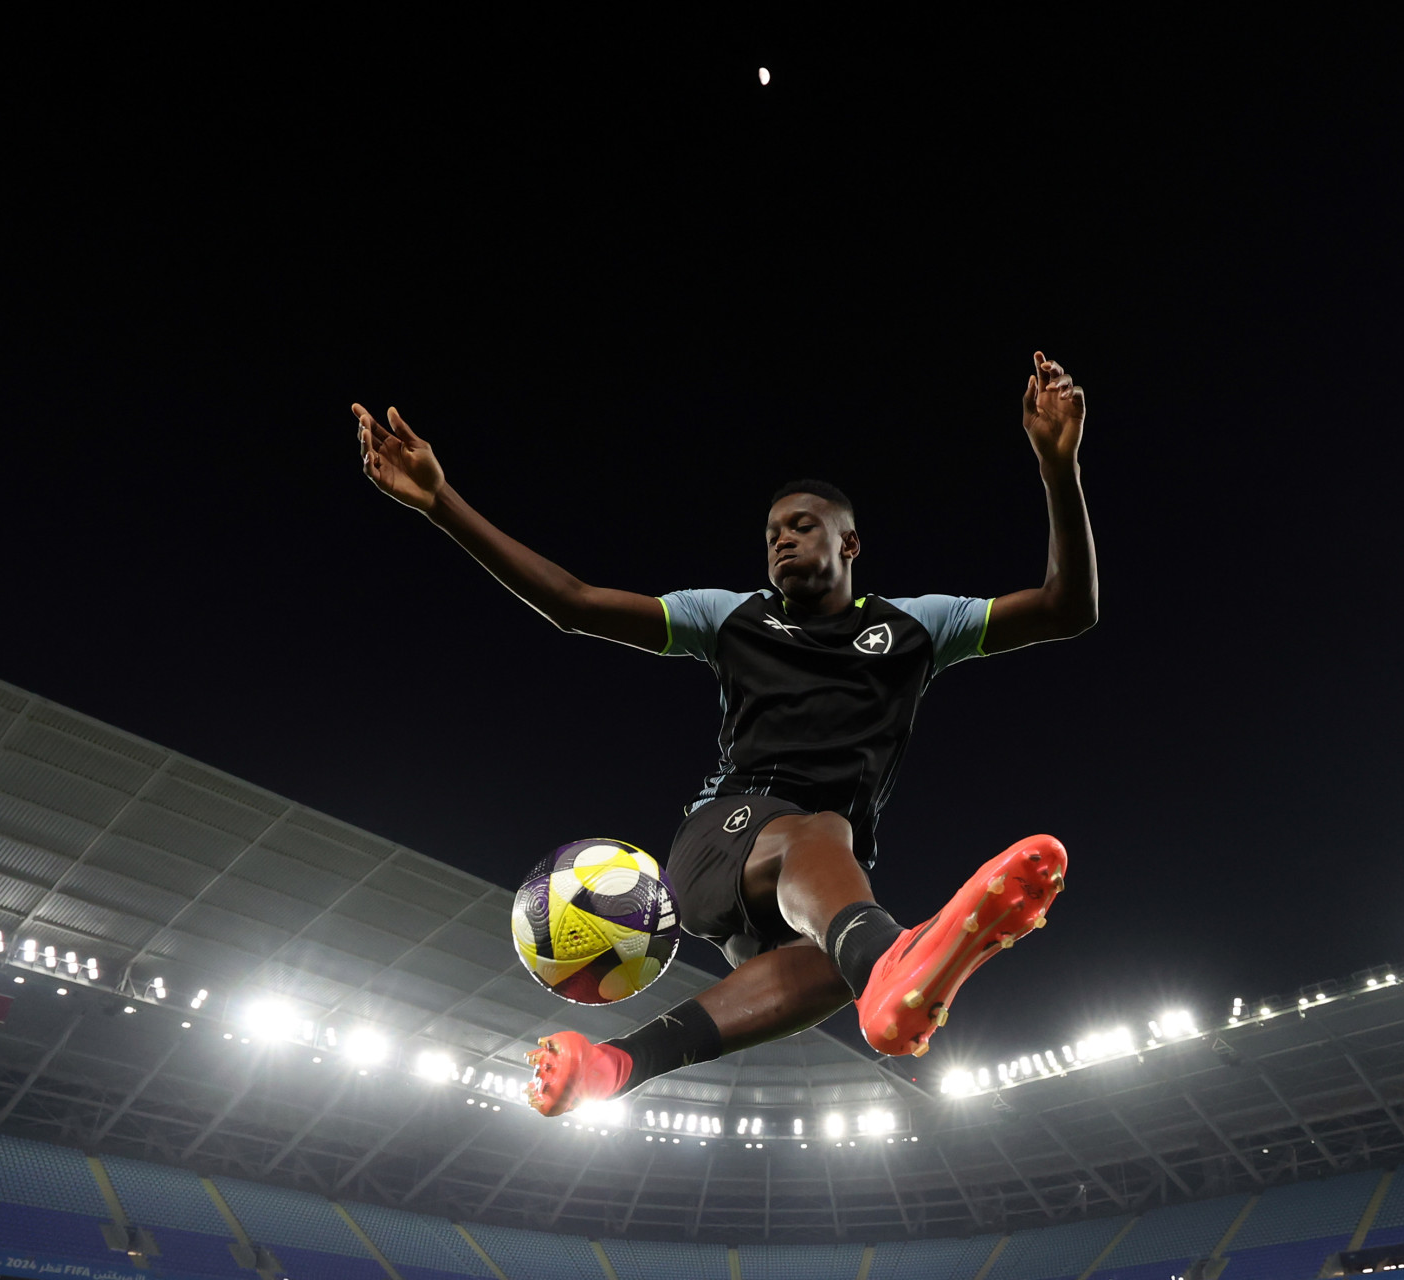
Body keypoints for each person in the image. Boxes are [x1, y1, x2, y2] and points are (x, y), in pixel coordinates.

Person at [353, 352, 1097, 1117]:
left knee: (832, 970)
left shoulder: (915, 627)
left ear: (850, 545)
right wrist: (442, 503)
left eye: (803, 526)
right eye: (773, 531)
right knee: (828, 848)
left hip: (815, 886)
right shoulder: (732, 617)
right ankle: (893, 957)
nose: (781, 540)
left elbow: (1067, 610)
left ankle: (613, 1065)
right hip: (725, 839)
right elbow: (574, 602)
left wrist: (1057, 468)